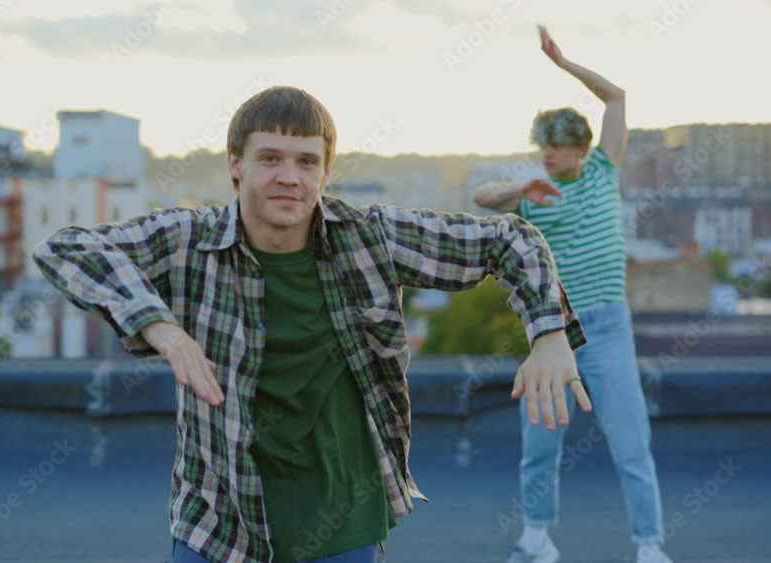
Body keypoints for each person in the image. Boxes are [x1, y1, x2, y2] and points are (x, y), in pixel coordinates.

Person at [33, 85, 591, 563]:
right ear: (235, 163)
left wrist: (547, 335)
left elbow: (512, 239)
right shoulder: (190, 241)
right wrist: (162, 327)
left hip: (343, 525)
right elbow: (65, 250)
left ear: (326, 169)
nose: (289, 178)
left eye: (306, 162)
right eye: (270, 158)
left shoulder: (368, 237)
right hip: (218, 525)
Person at [473, 26, 672, 563]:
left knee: (632, 445)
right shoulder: (535, 191)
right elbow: (481, 196)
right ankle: (537, 538)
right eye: (544, 146)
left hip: (608, 330)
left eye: (557, 146)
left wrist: (563, 62)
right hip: (550, 334)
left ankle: (650, 546)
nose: (548, 154)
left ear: (581, 148)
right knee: (540, 446)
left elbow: (617, 97)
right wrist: (520, 189)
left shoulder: (605, 169)